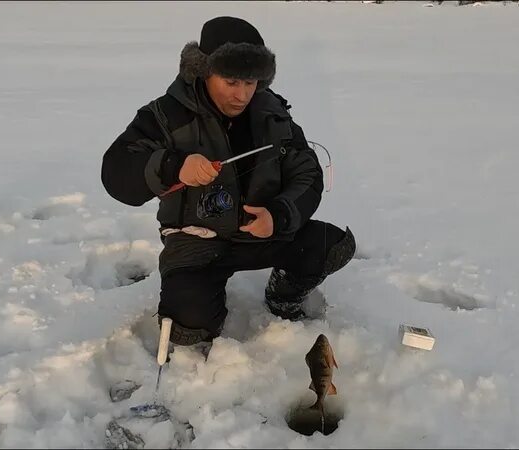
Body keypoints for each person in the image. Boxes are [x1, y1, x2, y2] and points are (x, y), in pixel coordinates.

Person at [101, 16, 356, 347]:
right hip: (196, 241)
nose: (243, 95)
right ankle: (197, 306)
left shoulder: (271, 112)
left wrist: (277, 215)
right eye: (232, 82)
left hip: (259, 231)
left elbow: (307, 173)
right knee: (188, 329)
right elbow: (116, 172)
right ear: (204, 71)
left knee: (330, 246)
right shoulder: (166, 115)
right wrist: (173, 166)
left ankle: (283, 293)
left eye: (251, 83)